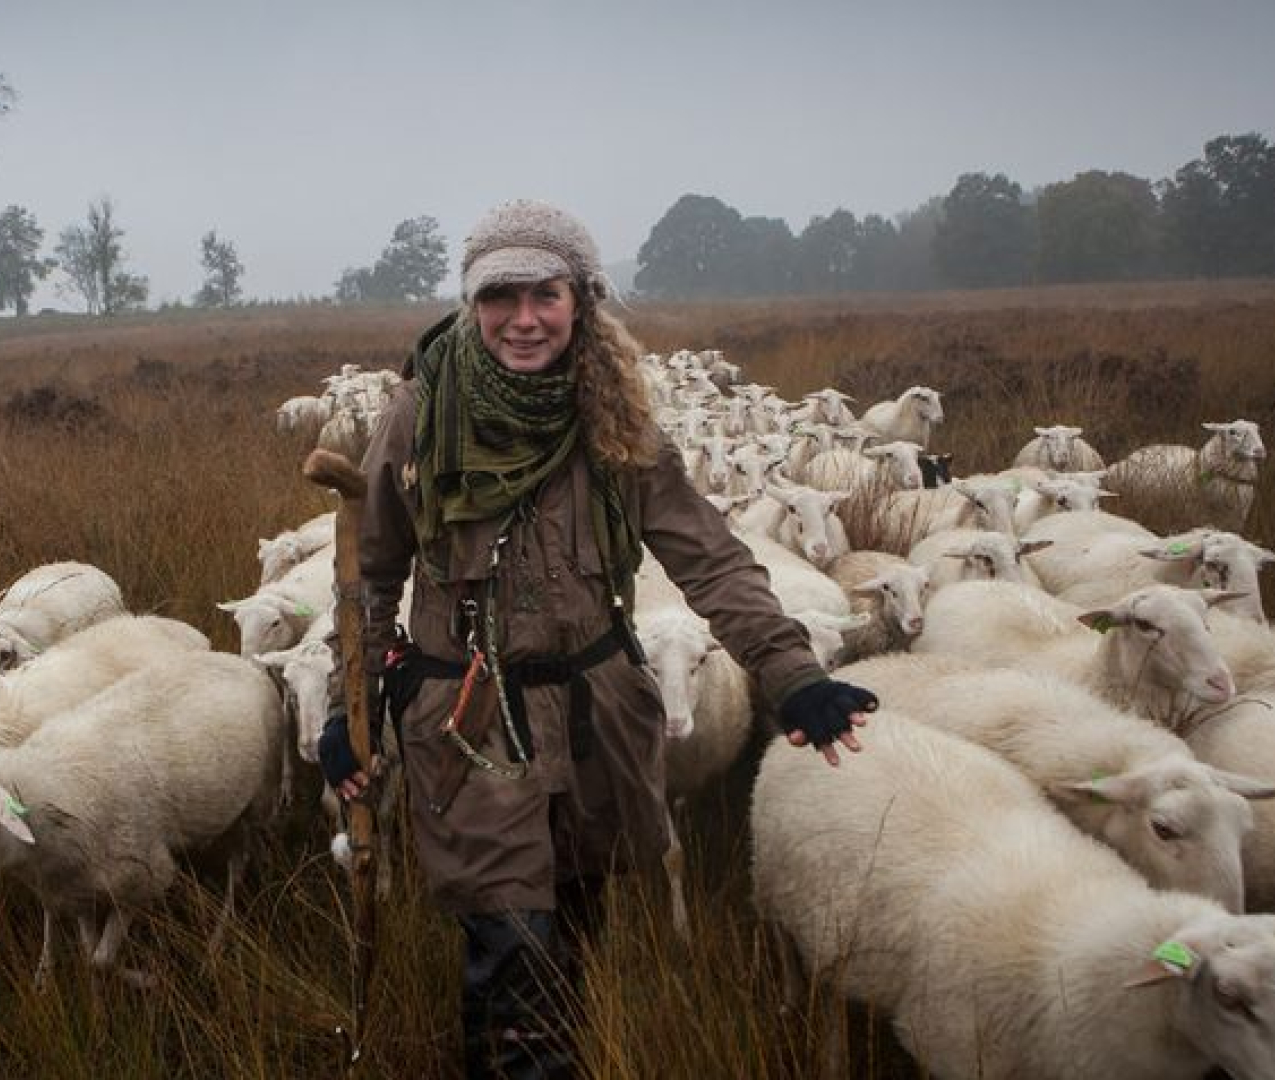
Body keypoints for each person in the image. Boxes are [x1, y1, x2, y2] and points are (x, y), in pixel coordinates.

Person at [319, 199, 877, 1079]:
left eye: (545, 293)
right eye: (500, 297)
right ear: (473, 304)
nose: (524, 319)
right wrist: (343, 712)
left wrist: (790, 671)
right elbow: (371, 577)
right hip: (470, 728)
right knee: (513, 947)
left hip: (594, 720)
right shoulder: (419, 416)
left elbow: (713, 561)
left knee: (572, 936)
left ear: (582, 296)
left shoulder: (617, 422)